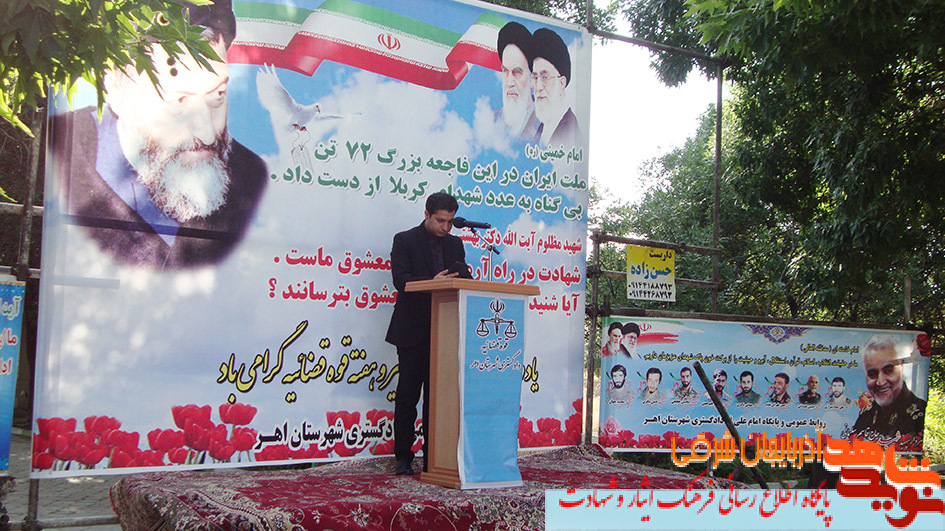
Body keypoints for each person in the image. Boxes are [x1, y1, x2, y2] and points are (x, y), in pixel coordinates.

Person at [51, 0, 267, 269]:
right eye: (179, 100)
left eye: (217, 95)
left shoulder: (252, 178)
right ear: (116, 89)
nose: (207, 134)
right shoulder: (58, 156)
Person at [385, 192, 467, 475]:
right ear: (427, 215)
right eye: (441, 221)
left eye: (450, 222)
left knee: (439, 396)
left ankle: (434, 456)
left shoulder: (455, 244)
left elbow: (460, 277)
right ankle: (403, 457)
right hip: (412, 329)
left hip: (445, 331)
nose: (446, 227)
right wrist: (431, 282)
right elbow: (401, 280)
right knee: (408, 395)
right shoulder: (405, 240)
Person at [850, 335, 926, 439]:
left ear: (902, 367)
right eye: (872, 374)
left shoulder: (917, 414)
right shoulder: (867, 414)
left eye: (888, 371)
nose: (880, 382)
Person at [529, 28, 581, 148]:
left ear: (562, 83)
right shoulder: (541, 130)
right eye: (535, 77)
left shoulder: (572, 132)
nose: (539, 87)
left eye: (545, 77)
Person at [496, 22, 540, 143]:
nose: (510, 82)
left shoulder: (545, 126)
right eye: (505, 71)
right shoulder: (492, 120)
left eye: (517, 72)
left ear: (533, 79)